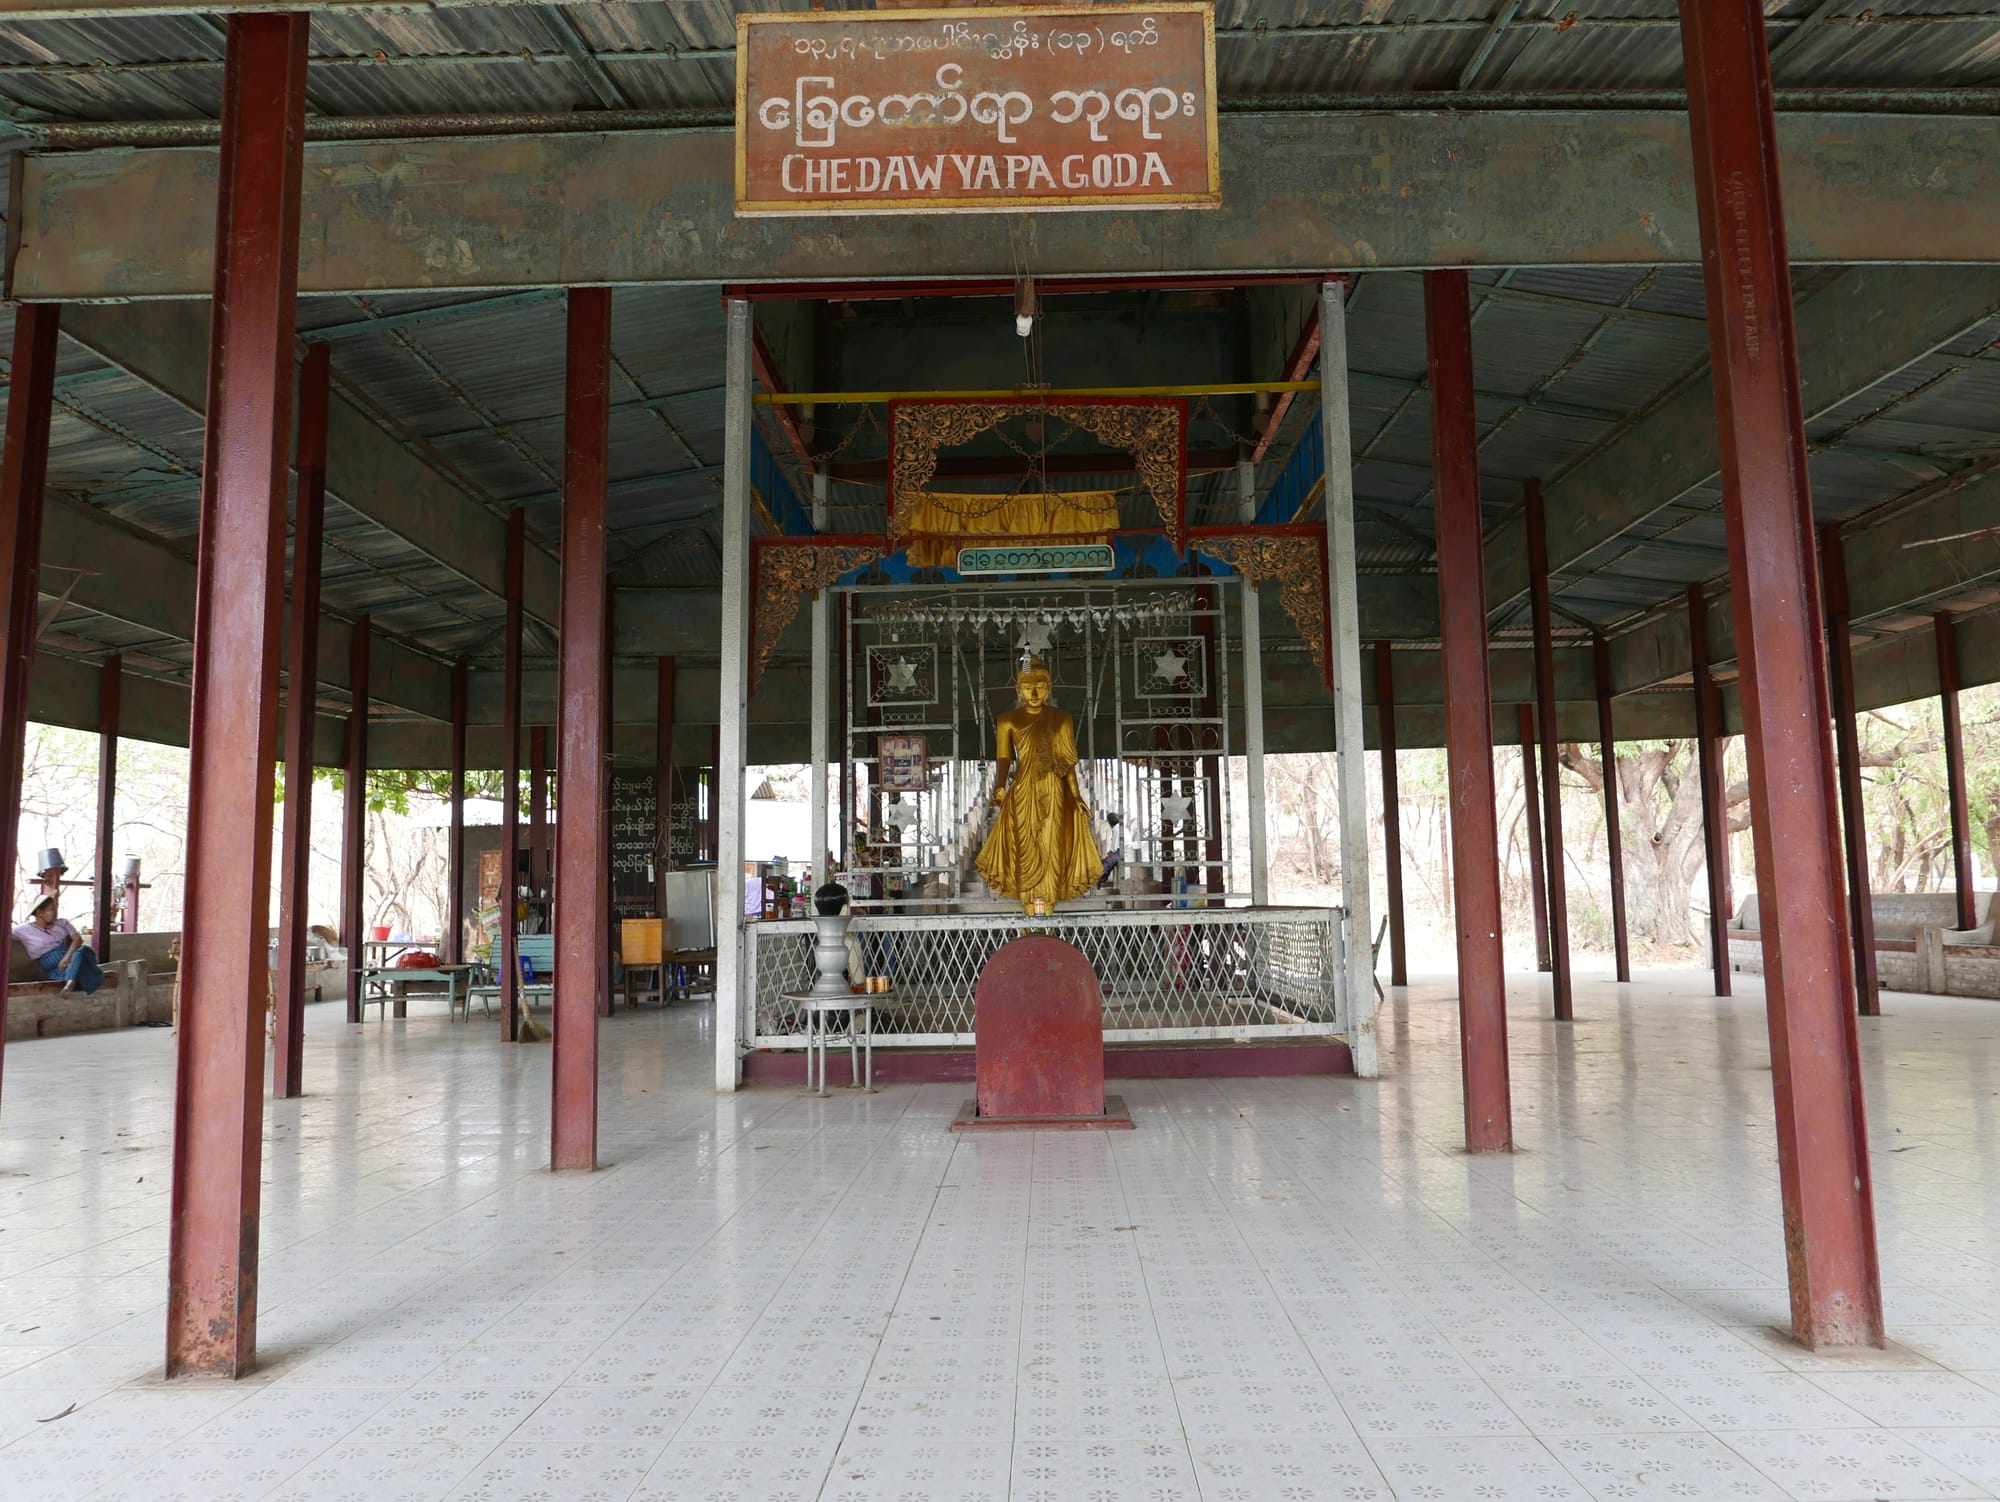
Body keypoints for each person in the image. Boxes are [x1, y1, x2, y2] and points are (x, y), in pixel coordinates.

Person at [976, 657, 1103, 911]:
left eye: (1040, 686)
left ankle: (1049, 903)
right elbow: (1004, 757)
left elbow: (1066, 761)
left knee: (1050, 843)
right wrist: (1000, 785)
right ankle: (1027, 904)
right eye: (1027, 687)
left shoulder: (1061, 719)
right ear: (1018, 689)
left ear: (1049, 688)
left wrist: (1076, 796)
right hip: (1023, 789)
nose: (1034, 693)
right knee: (1026, 846)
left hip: (1053, 788)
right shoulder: (1007, 720)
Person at [12, 894, 104, 995]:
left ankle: (69, 982)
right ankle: (72, 983)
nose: (55, 912)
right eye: (51, 909)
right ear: (39, 913)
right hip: (47, 960)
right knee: (83, 955)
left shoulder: (62, 923)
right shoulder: (22, 930)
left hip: (66, 957)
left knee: (85, 951)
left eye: (56, 908)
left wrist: (67, 957)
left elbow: (77, 940)